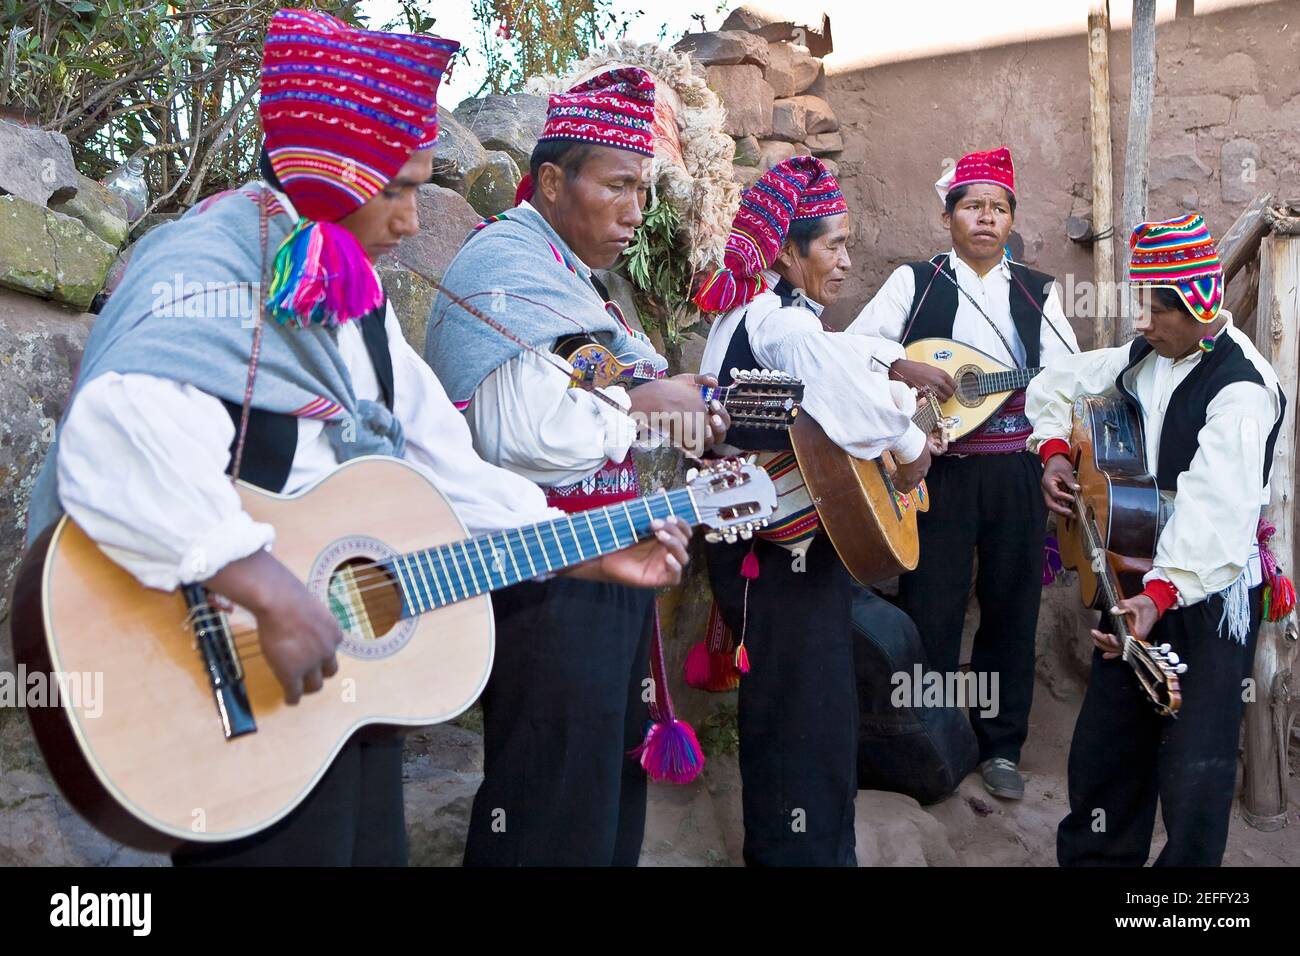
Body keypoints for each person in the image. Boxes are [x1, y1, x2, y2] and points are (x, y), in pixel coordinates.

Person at [23, 9, 690, 867]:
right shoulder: (209, 266)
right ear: (330, 171)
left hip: (341, 690)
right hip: (230, 678)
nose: (414, 221)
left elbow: (442, 473)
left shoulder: (354, 300)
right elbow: (113, 438)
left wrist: (578, 548)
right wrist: (263, 584)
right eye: (400, 187)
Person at [424, 67, 727, 866]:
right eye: (617, 187)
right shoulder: (505, 266)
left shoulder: (572, 286)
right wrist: (638, 404)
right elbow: (532, 427)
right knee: (550, 796)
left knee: (603, 788)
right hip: (547, 574)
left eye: (642, 191)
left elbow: (589, 364)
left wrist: (649, 393)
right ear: (553, 181)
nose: (634, 213)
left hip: (604, 557)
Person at [693, 155, 936, 866]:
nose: (846, 261)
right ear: (788, 251)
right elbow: (864, 414)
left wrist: (891, 363)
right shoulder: (782, 327)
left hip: (772, 558)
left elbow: (841, 356)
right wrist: (914, 444)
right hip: (783, 562)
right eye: (832, 245)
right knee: (808, 722)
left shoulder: (763, 314)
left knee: (795, 714)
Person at [1027, 213, 1286, 866]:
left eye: (1154, 309)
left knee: (1194, 774)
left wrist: (1161, 593)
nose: (1140, 322)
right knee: (1109, 754)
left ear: (1200, 307)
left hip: (1205, 600)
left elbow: (1215, 513)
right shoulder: (1142, 359)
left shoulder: (1241, 390)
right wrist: (1057, 452)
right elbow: (1061, 383)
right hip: (1137, 583)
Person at [850, 146, 1079, 799]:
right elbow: (859, 353)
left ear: (1011, 219)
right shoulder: (914, 283)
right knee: (932, 607)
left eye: (999, 207)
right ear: (949, 215)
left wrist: (1057, 442)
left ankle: (1002, 746)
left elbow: (1067, 376)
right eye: (972, 205)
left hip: (1016, 473)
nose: (986, 218)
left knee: (1013, 607)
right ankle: (931, 742)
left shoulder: (1039, 293)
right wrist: (906, 377)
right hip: (936, 473)